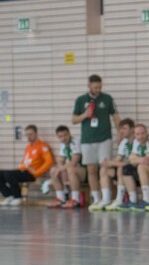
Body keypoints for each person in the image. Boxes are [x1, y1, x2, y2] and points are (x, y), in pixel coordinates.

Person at [71, 74, 121, 210]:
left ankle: (106, 197)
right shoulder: (81, 100)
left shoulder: (107, 98)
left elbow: (116, 116)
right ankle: (96, 198)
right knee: (91, 169)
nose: (98, 90)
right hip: (88, 139)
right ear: (89, 86)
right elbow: (74, 119)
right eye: (95, 87)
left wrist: (120, 133)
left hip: (104, 138)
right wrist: (84, 115)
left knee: (105, 166)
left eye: (100, 87)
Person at [0, 125, 54, 207]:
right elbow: (24, 161)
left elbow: (49, 161)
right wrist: (19, 169)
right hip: (22, 171)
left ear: (36, 133)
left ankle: (17, 197)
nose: (28, 136)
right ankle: (8, 195)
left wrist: (37, 173)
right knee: (2, 173)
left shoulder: (42, 146)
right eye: (27, 135)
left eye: (31, 134)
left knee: (9, 174)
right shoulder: (28, 147)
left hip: (31, 174)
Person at [102, 117, 135, 211]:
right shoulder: (124, 142)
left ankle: (119, 200)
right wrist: (109, 163)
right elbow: (119, 158)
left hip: (134, 169)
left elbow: (130, 162)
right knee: (104, 170)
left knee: (121, 168)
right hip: (126, 168)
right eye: (121, 129)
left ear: (132, 129)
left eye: (124, 128)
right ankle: (106, 200)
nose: (121, 131)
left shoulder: (136, 140)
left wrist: (114, 162)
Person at [48, 126, 86, 209]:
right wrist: (60, 170)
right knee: (53, 170)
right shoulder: (63, 144)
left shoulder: (75, 142)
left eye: (65, 135)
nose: (63, 138)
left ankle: (75, 199)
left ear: (69, 134)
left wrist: (61, 169)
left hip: (85, 171)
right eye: (60, 136)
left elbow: (74, 161)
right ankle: (60, 198)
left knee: (70, 169)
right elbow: (60, 160)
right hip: (73, 170)